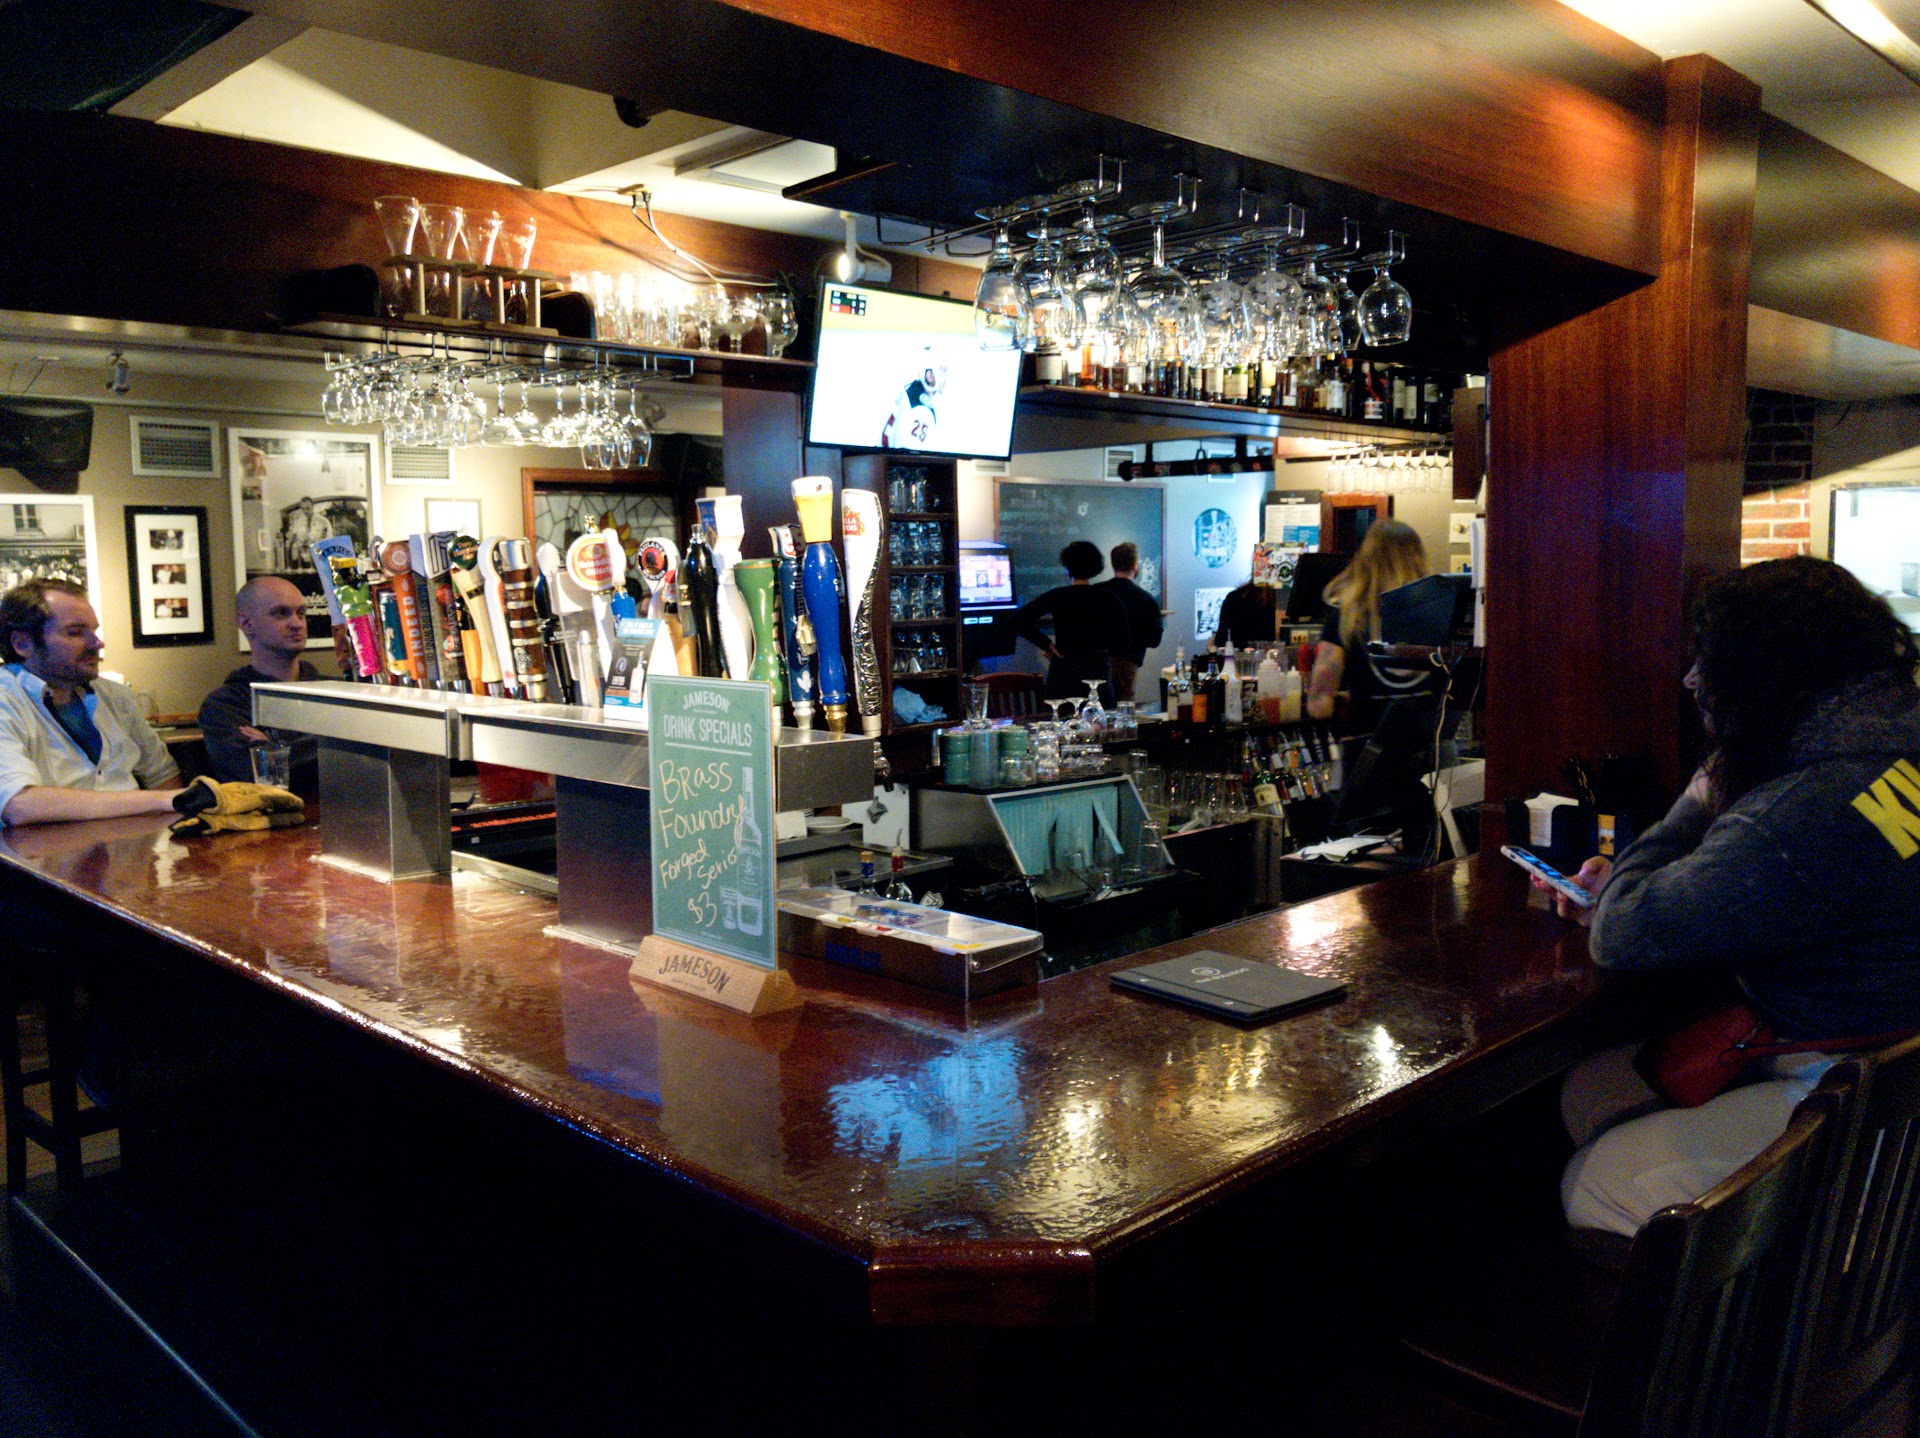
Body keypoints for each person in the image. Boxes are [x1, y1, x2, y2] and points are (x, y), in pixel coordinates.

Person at [1545, 557, 1920, 1238]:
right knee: (1593, 1091)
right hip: (1891, 1049)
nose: (1691, 679)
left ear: (1762, 674)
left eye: (1708, 660)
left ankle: (1799, 1295)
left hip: (1864, 1094)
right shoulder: (1897, 740)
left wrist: (1702, 792)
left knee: (1594, 1180)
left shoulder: (1795, 814)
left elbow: (1620, 933)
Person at [0, 578, 183, 826]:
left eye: (94, 631)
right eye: (75, 632)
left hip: (135, 842)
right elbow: (19, 804)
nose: (97, 643)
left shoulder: (115, 696)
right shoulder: (6, 699)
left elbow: (162, 775)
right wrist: (163, 801)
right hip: (47, 848)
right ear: (22, 644)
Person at [198, 576, 322, 795]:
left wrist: (275, 745)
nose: (297, 623)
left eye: (301, 613)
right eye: (281, 613)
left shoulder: (333, 691)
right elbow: (256, 776)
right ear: (246, 624)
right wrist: (331, 743)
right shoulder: (225, 706)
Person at [1306, 520, 1429, 733]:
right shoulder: (1437, 613)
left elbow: (1319, 706)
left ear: (1366, 559)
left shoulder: (1346, 617)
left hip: (1368, 746)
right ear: (1418, 560)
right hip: (1431, 745)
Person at [1012, 540, 1130, 703]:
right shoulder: (1109, 599)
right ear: (1096, 566)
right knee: (1100, 717)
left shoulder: (1057, 596)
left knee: (1061, 716)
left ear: (1068, 567)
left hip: (1063, 671)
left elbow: (1017, 620)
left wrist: (1046, 643)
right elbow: (1124, 641)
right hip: (1097, 671)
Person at [1098, 542, 1163, 703]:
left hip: (1096, 659)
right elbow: (1154, 640)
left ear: (1113, 564)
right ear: (1135, 565)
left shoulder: (1097, 591)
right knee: (1124, 705)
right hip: (1128, 662)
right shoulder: (1146, 599)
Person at [879, 354, 947, 450]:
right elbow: (906, 450)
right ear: (929, 375)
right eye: (942, 370)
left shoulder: (908, 394)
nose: (945, 376)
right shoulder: (922, 409)